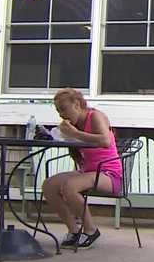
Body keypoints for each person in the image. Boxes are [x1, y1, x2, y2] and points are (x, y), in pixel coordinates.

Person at [42, 88, 122, 248]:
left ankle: (91, 230)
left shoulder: (95, 116)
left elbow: (105, 141)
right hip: (88, 171)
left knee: (70, 187)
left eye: (63, 109)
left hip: (108, 174)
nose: (61, 115)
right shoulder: (75, 124)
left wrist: (74, 133)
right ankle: (73, 231)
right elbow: (78, 148)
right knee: (49, 185)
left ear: (77, 104)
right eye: (58, 111)